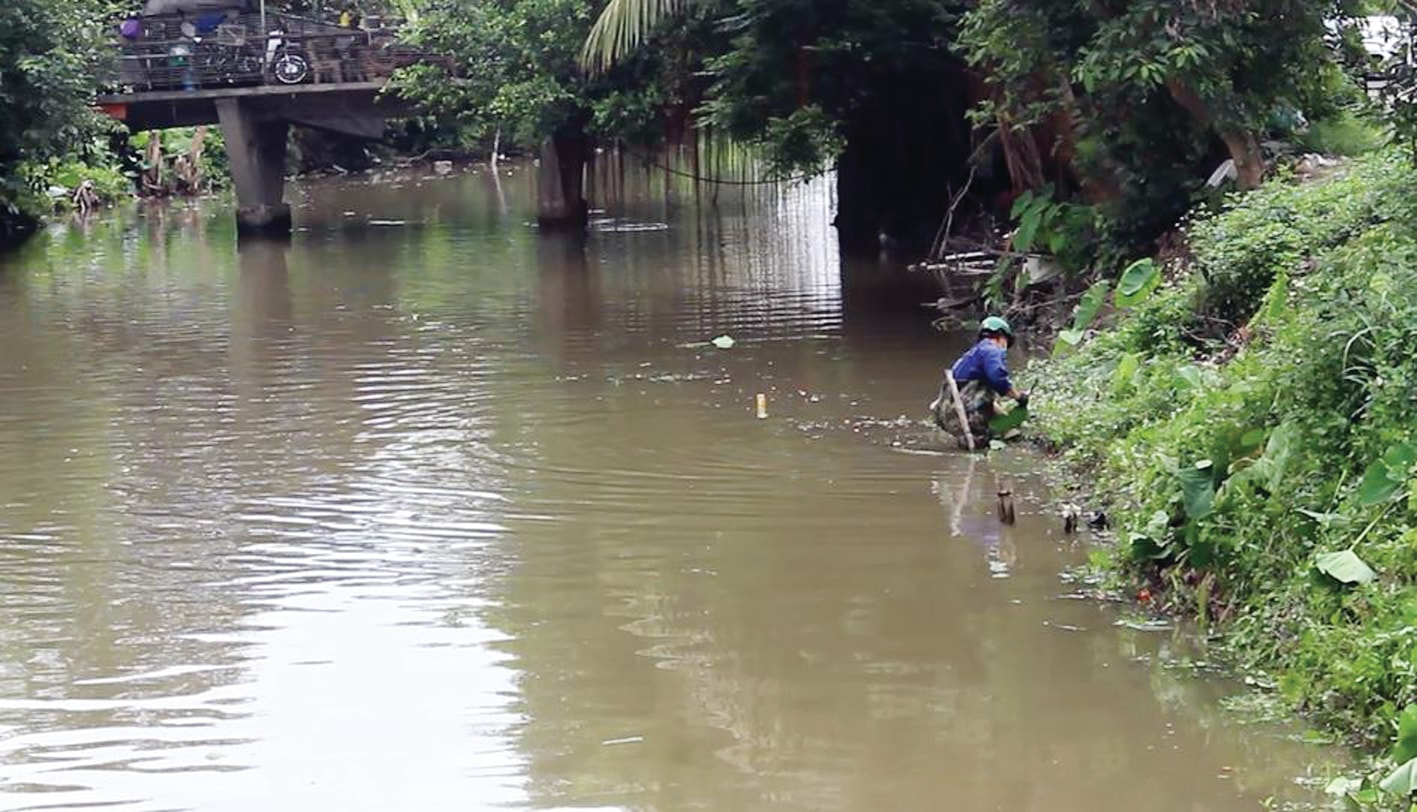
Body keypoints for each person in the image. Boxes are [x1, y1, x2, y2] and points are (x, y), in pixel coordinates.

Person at [930, 316, 1029, 447]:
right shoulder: (992, 350)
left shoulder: (969, 356)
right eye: (1006, 342)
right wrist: (1019, 397)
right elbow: (998, 378)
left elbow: (979, 397)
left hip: (946, 415)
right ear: (1000, 336)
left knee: (987, 398)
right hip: (968, 415)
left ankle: (1009, 432)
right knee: (982, 448)